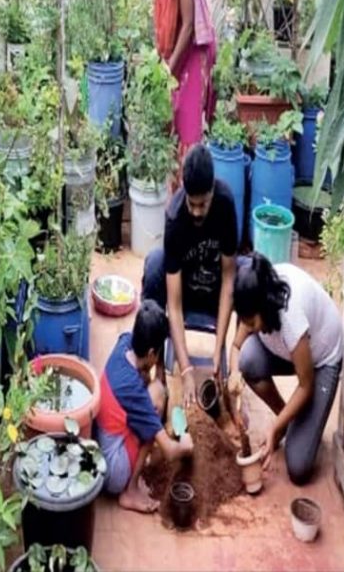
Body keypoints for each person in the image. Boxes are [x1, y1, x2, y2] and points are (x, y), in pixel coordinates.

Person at [229, 253, 343, 485]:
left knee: (298, 467)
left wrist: (273, 427)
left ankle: (294, 422)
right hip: (289, 351)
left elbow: (305, 385)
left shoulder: (290, 318)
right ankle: (291, 418)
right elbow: (236, 347)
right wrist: (233, 372)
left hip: (321, 360)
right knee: (247, 360)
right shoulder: (255, 294)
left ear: (265, 306)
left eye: (251, 322)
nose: (247, 327)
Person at [141, 144, 238, 405]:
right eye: (191, 203)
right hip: (185, 292)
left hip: (215, 292)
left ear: (213, 192)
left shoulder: (226, 204)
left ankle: (237, 370)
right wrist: (185, 371)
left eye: (202, 204)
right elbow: (173, 303)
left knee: (247, 272)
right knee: (153, 264)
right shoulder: (175, 217)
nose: (196, 211)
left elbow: (229, 277)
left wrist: (219, 349)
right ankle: (159, 366)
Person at [95, 299, 194, 513]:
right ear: (151, 353)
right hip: (113, 470)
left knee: (152, 386)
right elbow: (169, 450)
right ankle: (129, 491)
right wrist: (185, 440)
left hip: (102, 448)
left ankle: (132, 471)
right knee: (157, 394)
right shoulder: (135, 393)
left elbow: (145, 373)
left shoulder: (125, 343)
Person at [139, 0, 217, 155]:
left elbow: (188, 26)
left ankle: (188, 187)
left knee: (188, 128)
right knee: (173, 124)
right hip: (182, 56)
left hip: (193, 54)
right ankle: (177, 185)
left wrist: (168, 69)